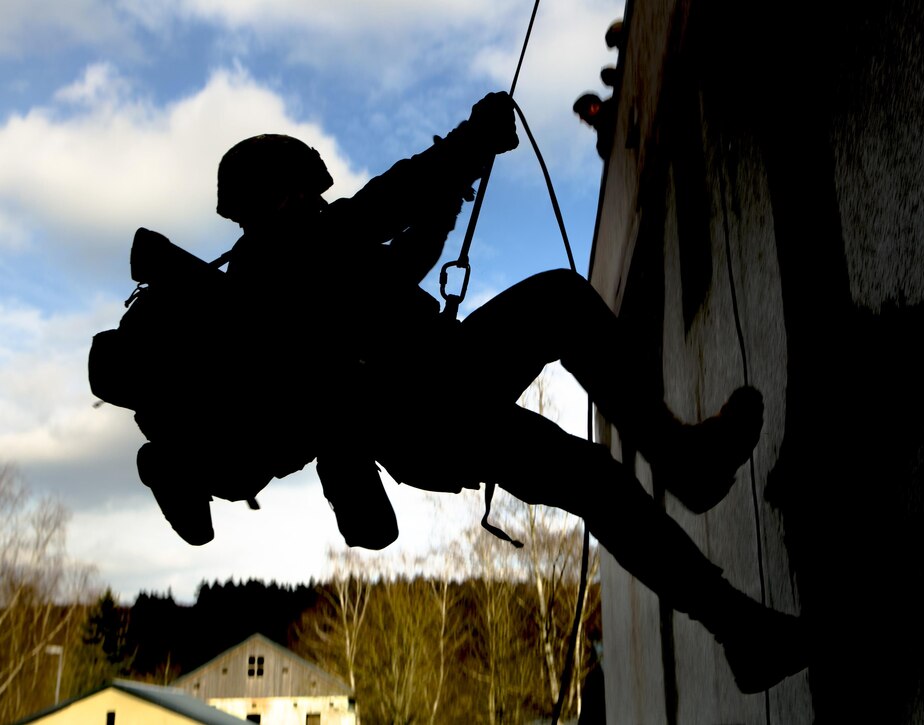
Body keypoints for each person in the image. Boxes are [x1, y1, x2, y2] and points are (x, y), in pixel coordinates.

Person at [135, 92, 807, 693]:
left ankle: (738, 620)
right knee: (571, 365)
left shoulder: (283, 270)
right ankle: (710, 541)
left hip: (432, 402)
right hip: (431, 405)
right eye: (304, 193)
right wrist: (473, 140)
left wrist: (446, 202)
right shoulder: (287, 256)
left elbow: (394, 265)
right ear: (275, 198)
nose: (316, 202)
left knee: (585, 450)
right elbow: (390, 201)